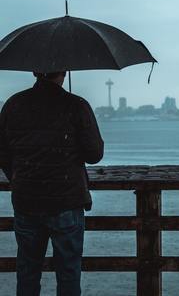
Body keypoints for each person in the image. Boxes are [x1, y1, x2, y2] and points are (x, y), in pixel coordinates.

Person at [0, 71, 104, 296]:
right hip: (66, 202)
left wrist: (18, 178)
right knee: (68, 273)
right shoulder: (76, 106)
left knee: (27, 271)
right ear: (64, 72)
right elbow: (94, 154)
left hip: (26, 200)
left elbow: (3, 153)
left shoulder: (14, 104)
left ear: (34, 71)